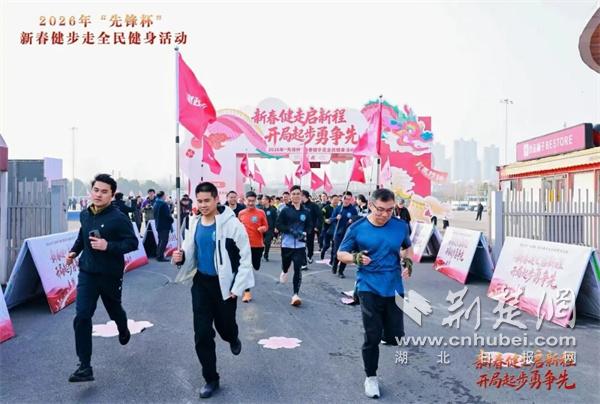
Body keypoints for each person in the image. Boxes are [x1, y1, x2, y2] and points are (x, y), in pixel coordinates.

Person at [172, 181, 254, 399]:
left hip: (225, 286)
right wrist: (180, 258)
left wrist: (238, 287)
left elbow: (245, 258)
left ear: (217, 199)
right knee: (202, 334)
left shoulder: (232, 225)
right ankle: (211, 378)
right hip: (201, 284)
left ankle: (233, 337)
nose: (203, 205)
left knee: (225, 327)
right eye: (199, 201)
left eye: (207, 200)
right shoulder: (194, 223)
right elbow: (190, 252)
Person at [336, 188, 414, 399]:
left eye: (389, 210)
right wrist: (356, 258)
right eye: (380, 209)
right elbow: (341, 254)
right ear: (370, 205)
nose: (385, 214)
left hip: (394, 287)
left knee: (395, 337)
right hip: (368, 286)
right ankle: (371, 377)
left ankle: (385, 333)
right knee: (372, 335)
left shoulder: (400, 226)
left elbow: (407, 247)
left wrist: (408, 261)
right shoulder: (357, 228)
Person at [66, 174, 139, 383]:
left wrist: (108, 246)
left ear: (112, 195)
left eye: (104, 191)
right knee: (82, 316)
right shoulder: (85, 214)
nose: (98, 195)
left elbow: (132, 243)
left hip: (109, 275)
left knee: (114, 310)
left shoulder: (119, 218)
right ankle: (84, 366)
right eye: (96, 190)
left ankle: (123, 328)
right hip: (87, 273)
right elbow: (82, 235)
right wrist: (74, 252)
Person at [275, 185, 311, 306]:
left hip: (300, 246)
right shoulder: (285, 211)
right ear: (290, 196)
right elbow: (279, 225)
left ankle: (295, 295)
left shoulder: (306, 212)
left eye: (298, 194)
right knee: (286, 265)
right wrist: (291, 231)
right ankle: (285, 270)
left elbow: (309, 226)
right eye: (294, 194)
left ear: (301, 195)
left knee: (297, 268)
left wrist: (304, 233)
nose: (296, 196)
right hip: (287, 244)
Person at [238, 191, 269, 303]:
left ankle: (254, 265)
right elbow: (237, 227)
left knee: (256, 266)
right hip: (245, 245)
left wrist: (263, 229)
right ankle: (247, 292)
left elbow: (266, 226)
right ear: (245, 200)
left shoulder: (261, 213)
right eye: (249, 201)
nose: (251, 203)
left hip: (258, 245)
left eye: (253, 201)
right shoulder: (241, 213)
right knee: (246, 268)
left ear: (256, 201)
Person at [330, 191, 358, 278]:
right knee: (336, 252)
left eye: (349, 199)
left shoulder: (353, 209)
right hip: (338, 234)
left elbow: (356, 220)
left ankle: (341, 271)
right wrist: (336, 218)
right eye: (345, 198)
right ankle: (335, 264)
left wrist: (352, 220)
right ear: (342, 198)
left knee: (345, 253)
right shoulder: (338, 209)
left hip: (348, 235)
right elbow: (331, 219)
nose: (346, 201)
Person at [301, 190, 323, 268]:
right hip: (301, 228)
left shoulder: (314, 205)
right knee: (301, 245)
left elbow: (320, 216)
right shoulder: (299, 205)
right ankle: (303, 263)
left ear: (304, 196)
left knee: (309, 244)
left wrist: (317, 226)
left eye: (300, 195)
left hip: (311, 228)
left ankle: (310, 255)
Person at [153, 191, 174, 262]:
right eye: (165, 195)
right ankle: (160, 256)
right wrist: (171, 220)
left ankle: (158, 255)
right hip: (164, 225)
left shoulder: (155, 203)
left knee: (160, 240)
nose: (165, 196)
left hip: (158, 224)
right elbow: (167, 215)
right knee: (164, 241)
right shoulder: (163, 204)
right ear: (163, 196)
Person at [320, 194, 338, 261]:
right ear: (330, 200)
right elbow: (320, 216)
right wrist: (325, 220)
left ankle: (332, 260)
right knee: (327, 245)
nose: (336, 201)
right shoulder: (326, 208)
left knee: (334, 246)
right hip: (326, 229)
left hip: (335, 230)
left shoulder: (339, 208)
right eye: (334, 200)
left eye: (337, 200)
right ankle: (323, 251)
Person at [261, 195, 278, 262]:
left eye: (264, 199)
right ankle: (261, 253)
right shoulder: (260, 210)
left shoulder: (273, 209)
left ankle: (266, 255)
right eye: (262, 199)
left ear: (268, 200)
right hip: (261, 229)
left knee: (267, 242)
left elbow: (276, 219)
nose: (262, 200)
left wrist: (276, 227)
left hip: (270, 229)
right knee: (261, 242)